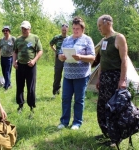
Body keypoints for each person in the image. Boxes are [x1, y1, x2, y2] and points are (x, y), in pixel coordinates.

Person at [95, 14, 128, 146]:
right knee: (102, 108)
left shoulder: (119, 38)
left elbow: (124, 60)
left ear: (107, 23)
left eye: (99, 26)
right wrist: (98, 78)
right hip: (104, 78)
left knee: (113, 109)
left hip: (115, 77)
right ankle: (106, 134)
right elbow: (102, 62)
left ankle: (116, 139)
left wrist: (122, 80)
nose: (99, 29)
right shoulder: (103, 41)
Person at [57, 17, 95, 130]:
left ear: (82, 28)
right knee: (65, 98)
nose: (75, 31)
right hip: (68, 74)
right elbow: (59, 54)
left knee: (79, 99)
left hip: (81, 75)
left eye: (77, 28)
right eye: (73, 28)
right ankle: (64, 122)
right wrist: (62, 57)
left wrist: (81, 57)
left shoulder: (87, 40)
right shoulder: (66, 40)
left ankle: (77, 122)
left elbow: (92, 57)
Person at [13, 20, 43, 114]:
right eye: (22, 28)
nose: (24, 30)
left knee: (31, 87)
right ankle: (20, 105)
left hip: (31, 66)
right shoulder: (18, 39)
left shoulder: (35, 38)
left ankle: (31, 106)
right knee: (20, 86)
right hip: (20, 66)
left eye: (25, 29)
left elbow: (40, 51)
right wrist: (14, 61)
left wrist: (34, 61)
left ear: (29, 29)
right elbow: (15, 51)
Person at [50, 24, 69, 98]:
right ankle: (55, 91)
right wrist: (55, 51)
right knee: (57, 74)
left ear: (67, 30)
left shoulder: (69, 38)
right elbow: (51, 44)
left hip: (67, 58)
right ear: (61, 30)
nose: (64, 31)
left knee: (67, 75)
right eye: (63, 30)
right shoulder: (57, 37)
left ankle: (66, 92)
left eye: (65, 30)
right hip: (58, 58)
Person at [0, 26, 16, 90]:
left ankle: (6, 86)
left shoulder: (13, 39)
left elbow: (16, 49)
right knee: (4, 72)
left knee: (7, 72)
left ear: (9, 31)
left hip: (10, 58)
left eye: (6, 30)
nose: (5, 32)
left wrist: (16, 59)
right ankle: (9, 83)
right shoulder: (1, 40)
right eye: (4, 31)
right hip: (3, 58)